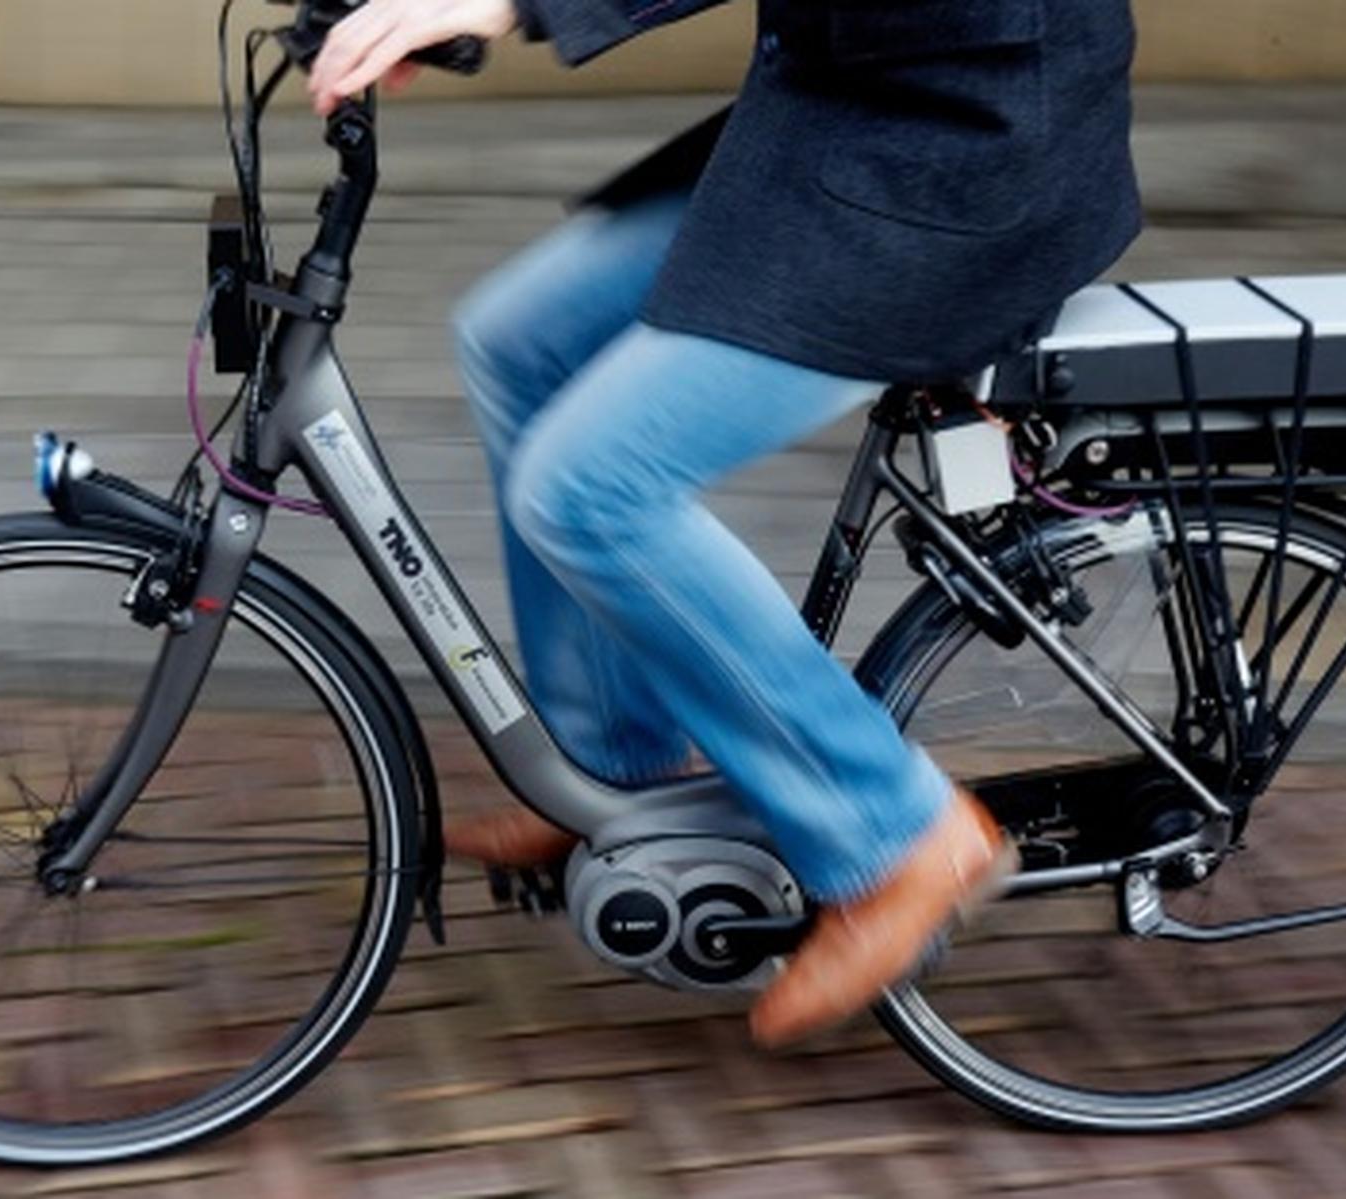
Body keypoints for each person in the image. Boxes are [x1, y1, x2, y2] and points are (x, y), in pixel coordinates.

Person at [309, 0, 1141, 1046]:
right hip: (838, 125)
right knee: (518, 338)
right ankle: (618, 769)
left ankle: (899, 832)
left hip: (962, 157)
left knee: (591, 489)